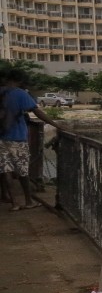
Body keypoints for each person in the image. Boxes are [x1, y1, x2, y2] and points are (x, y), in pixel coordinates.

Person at [1, 68, 59, 211]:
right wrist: (55, 124)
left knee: (5, 170)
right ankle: (28, 201)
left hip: (1, 138)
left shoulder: (1, 91)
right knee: (22, 171)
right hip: (17, 138)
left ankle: (14, 203)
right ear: (20, 80)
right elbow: (37, 111)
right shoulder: (20, 94)